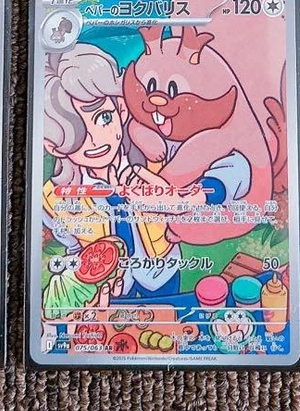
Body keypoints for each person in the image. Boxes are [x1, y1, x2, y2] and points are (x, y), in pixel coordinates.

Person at [41, 44, 189, 301]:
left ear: (121, 108)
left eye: (104, 118)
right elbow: (72, 246)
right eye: (75, 135)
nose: (95, 141)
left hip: (161, 272)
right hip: (107, 287)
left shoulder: (156, 158)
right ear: (53, 145)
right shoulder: (52, 197)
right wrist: (91, 279)